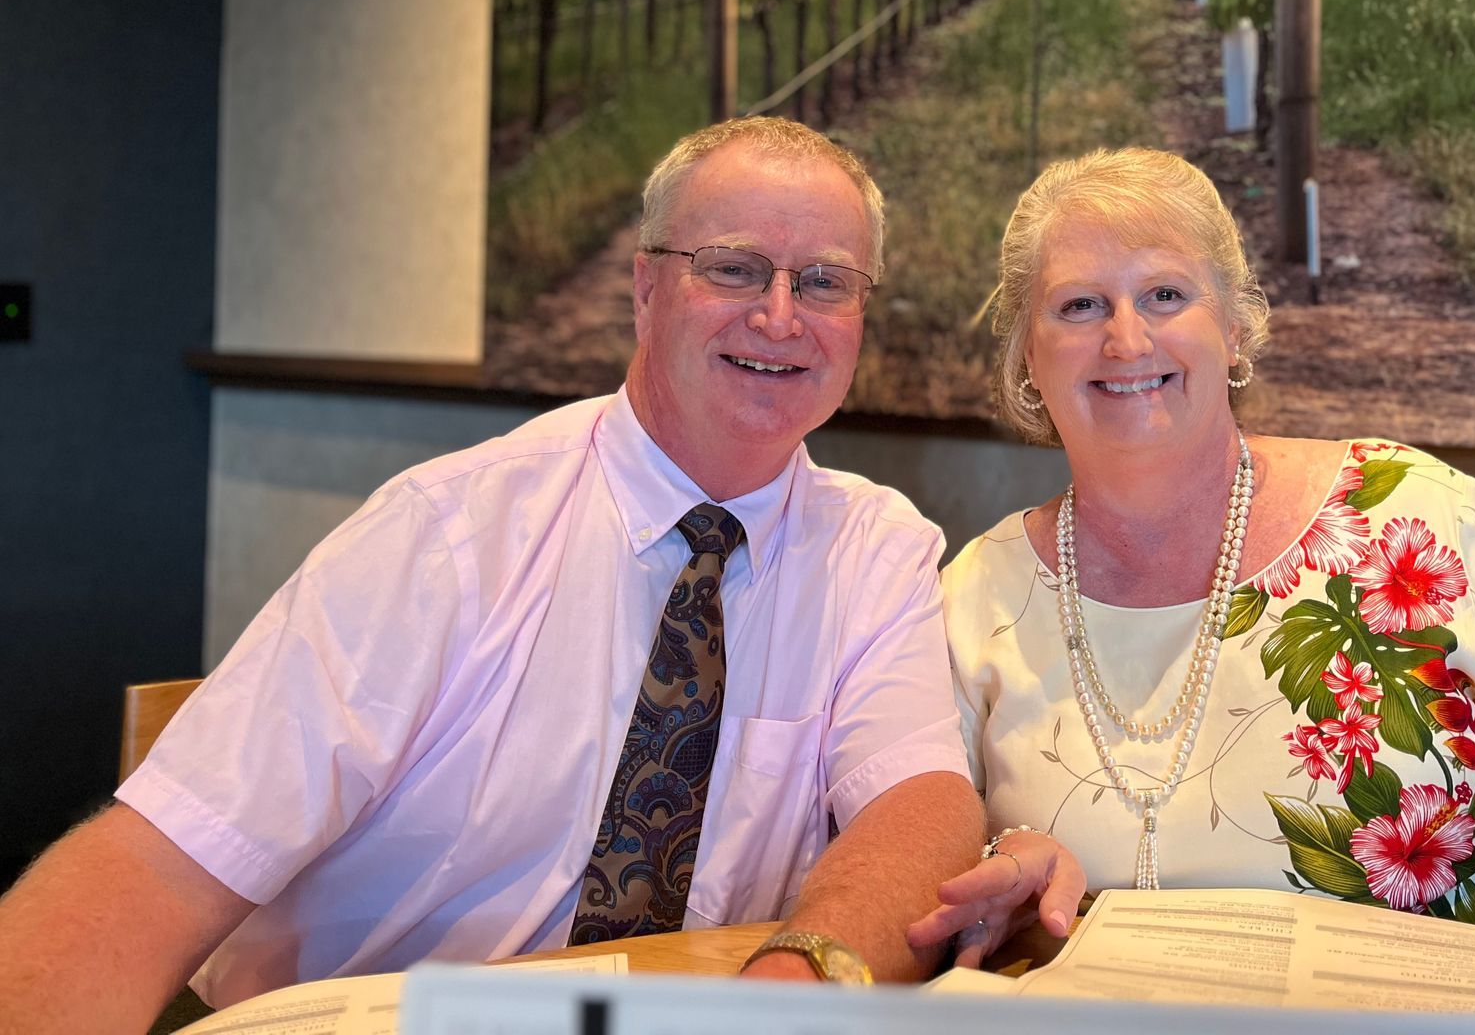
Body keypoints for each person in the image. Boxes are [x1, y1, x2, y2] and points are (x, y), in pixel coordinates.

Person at [0, 117, 982, 1033]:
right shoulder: (446, 536)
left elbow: (922, 808)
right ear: (646, 289)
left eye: (823, 282)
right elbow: (159, 869)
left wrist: (782, 998)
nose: (779, 317)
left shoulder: (877, 549)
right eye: (734, 269)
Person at [907, 148, 1475, 1035]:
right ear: (1029, 356)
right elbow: (926, 845)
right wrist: (1004, 865)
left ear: (1238, 329)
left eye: (1167, 295)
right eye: (1079, 305)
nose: (1126, 339)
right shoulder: (975, 594)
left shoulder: (1416, 519)